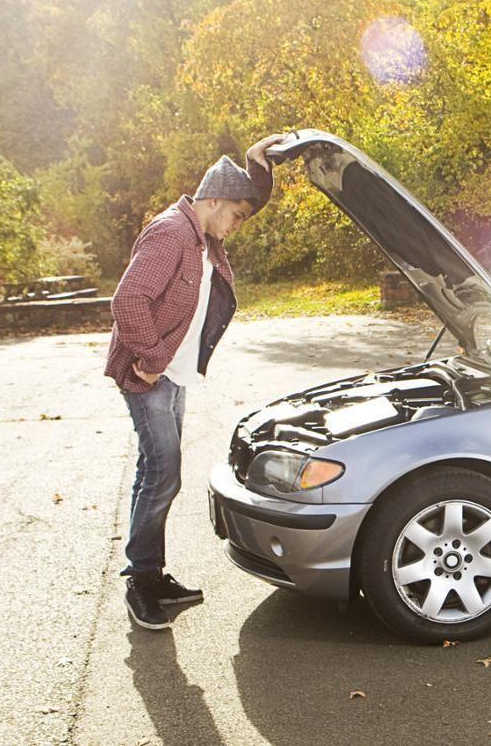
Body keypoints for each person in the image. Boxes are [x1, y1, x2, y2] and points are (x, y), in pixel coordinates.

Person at [105, 134, 287, 630]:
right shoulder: (171, 234)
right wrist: (151, 358)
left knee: (156, 471)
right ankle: (141, 582)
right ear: (212, 201)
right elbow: (128, 301)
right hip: (151, 377)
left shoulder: (202, 233)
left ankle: (149, 572)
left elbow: (245, 200)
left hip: (172, 376)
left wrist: (257, 167)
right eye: (234, 216)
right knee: (163, 473)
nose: (236, 226)